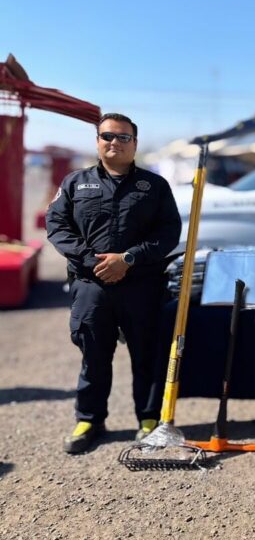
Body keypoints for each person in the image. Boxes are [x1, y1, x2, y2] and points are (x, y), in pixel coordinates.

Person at [47, 113, 181, 453]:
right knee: (93, 354)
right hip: (92, 286)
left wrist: (129, 259)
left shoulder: (154, 186)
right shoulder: (76, 183)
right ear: (97, 141)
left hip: (142, 286)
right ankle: (89, 419)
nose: (114, 143)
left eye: (123, 137)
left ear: (134, 144)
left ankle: (148, 419)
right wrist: (96, 263)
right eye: (107, 136)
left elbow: (168, 233)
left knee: (147, 355)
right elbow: (58, 227)